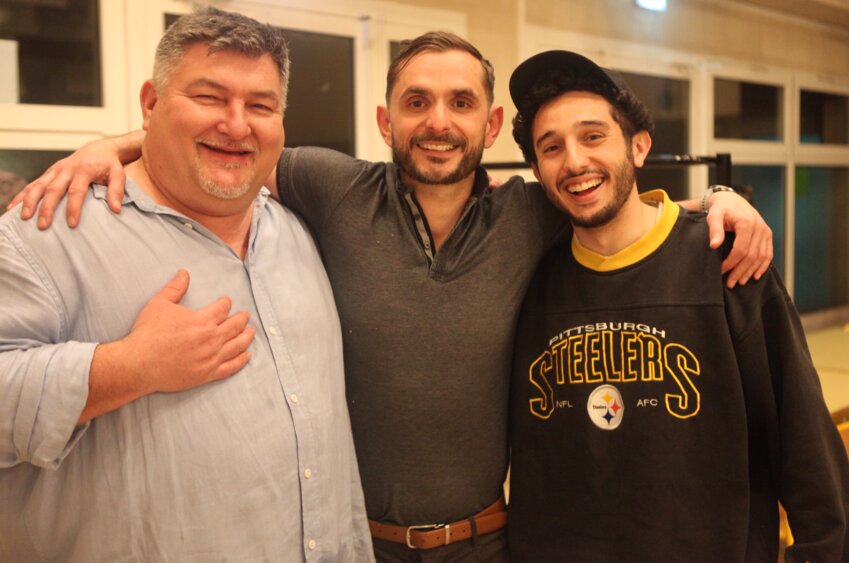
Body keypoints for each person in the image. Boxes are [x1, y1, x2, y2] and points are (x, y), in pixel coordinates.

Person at [8, 32, 773, 561]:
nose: (438, 121)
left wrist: (719, 200)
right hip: (358, 543)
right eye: (415, 102)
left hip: (486, 543)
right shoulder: (328, 186)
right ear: (384, 119)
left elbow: (613, 203)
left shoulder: (530, 215)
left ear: (491, 124)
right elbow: (230, 146)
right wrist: (113, 146)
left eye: (460, 103)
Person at [0, 8, 372, 561]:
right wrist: (129, 366)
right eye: (208, 97)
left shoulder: (300, 229)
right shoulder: (47, 231)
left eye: (261, 106)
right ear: (151, 103)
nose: (238, 124)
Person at [506, 50, 849, 562]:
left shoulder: (726, 262)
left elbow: (807, 451)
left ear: (639, 146)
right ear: (537, 169)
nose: (574, 161)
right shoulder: (528, 280)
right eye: (551, 147)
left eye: (593, 136)